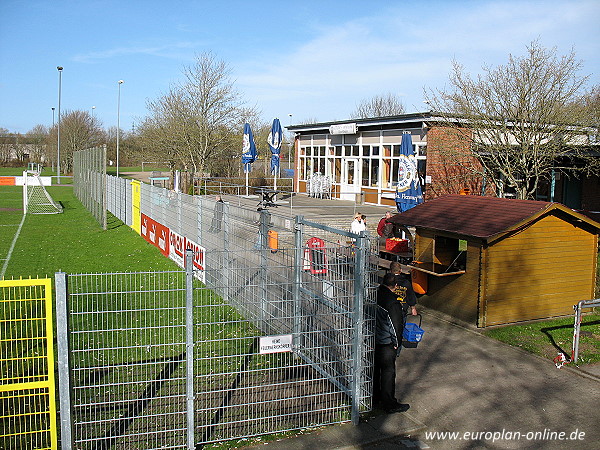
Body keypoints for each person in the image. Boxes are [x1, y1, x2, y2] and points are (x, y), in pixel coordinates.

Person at [374, 273, 410, 413]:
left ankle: (375, 398)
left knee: (376, 370)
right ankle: (389, 403)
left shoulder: (376, 295)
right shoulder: (393, 303)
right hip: (387, 342)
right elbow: (396, 326)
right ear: (395, 286)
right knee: (388, 373)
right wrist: (397, 342)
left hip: (375, 339)